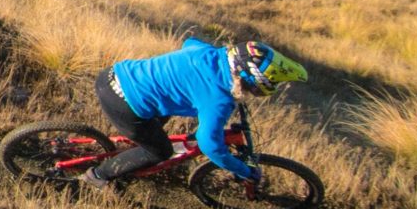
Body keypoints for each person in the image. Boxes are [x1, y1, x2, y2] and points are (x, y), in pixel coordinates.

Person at [81, 36, 308, 188]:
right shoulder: (219, 99)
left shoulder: (210, 53)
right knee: (159, 151)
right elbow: (209, 145)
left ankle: (133, 150)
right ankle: (98, 177)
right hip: (123, 103)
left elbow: (190, 42)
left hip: (114, 75)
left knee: (161, 114)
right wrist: (242, 170)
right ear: (255, 81)